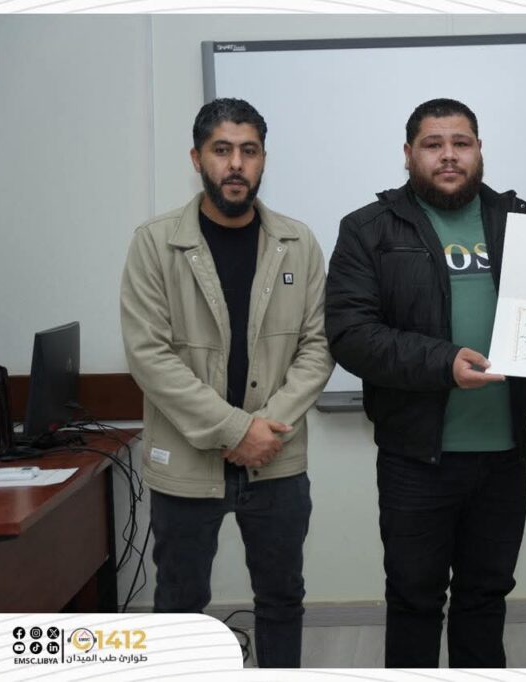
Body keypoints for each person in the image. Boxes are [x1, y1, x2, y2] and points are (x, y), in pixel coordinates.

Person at [325, 98, 526, 668]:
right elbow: (351, 335)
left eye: (461, 143)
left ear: (479, 150)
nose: (449, 155)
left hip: (503, 457)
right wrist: (442, 362)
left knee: (485, 598)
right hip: (416, 459)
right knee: (414, 600)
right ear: (408, 154)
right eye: (433, 144)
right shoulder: (367, 230)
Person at [120, 98, 333, 668]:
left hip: (276, 458)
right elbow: (149, 355)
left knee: (282, 599)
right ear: (197, 159)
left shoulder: (299, 242)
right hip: (186, 462)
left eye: (249, 151)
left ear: (263, 160)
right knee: (181, 603)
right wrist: (237, 430)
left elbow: (318, 347)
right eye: (222, 150)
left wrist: (266, 430)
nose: (236, 164)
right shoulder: (155, 242)